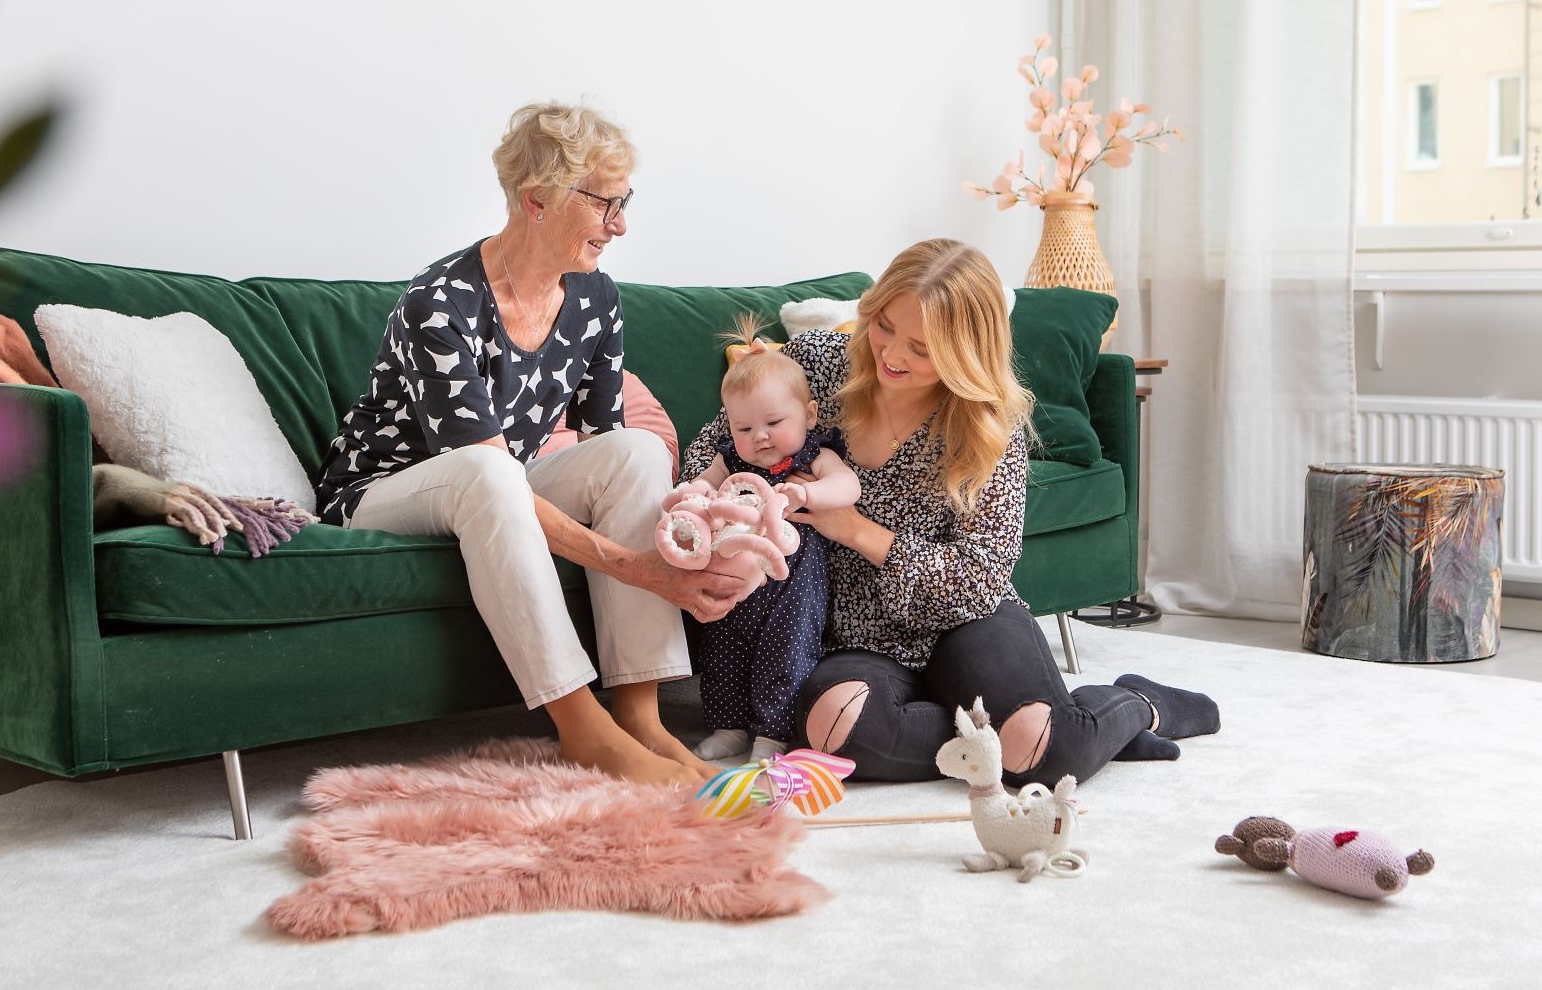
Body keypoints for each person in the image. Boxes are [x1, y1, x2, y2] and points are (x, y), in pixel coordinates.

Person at [313, 102, 744, 788]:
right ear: (537, 200)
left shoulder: (597, 298)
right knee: (488, 470)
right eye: (603, 202)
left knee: (635, 451)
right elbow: (482, 468)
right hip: (384, 490)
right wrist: (638, 568)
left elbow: (603, 442)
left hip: (492, 486)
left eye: (624, 201)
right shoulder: (439, 303)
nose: (620, 224)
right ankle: (583, 731)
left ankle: (640, 717)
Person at [683, 239, 1220, 787]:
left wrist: (856, 530)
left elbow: (981, 576)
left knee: (1041, 751)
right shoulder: (817, 366)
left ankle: (1138, 704)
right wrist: (729, 508)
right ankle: (992, 731)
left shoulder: (987, 426)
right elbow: (711, 451)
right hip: (853, 639)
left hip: (965, 622)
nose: (892, 355)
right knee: (831, 728)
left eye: (921, 348)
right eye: (885, 326)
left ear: (964, 353)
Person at [671, 319, 860, 763]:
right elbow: (704, 482)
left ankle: (773, 733)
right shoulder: (732, 459)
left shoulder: (813, 455)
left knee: (788, 648)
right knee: (722, 642)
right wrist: (694, 496)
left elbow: (848, 486)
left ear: (808, 415)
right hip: (738, 571)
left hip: (794, 581)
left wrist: (808, 494)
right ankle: (729, 726)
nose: (759, 437)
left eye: (774, 422)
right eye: (744, 428)